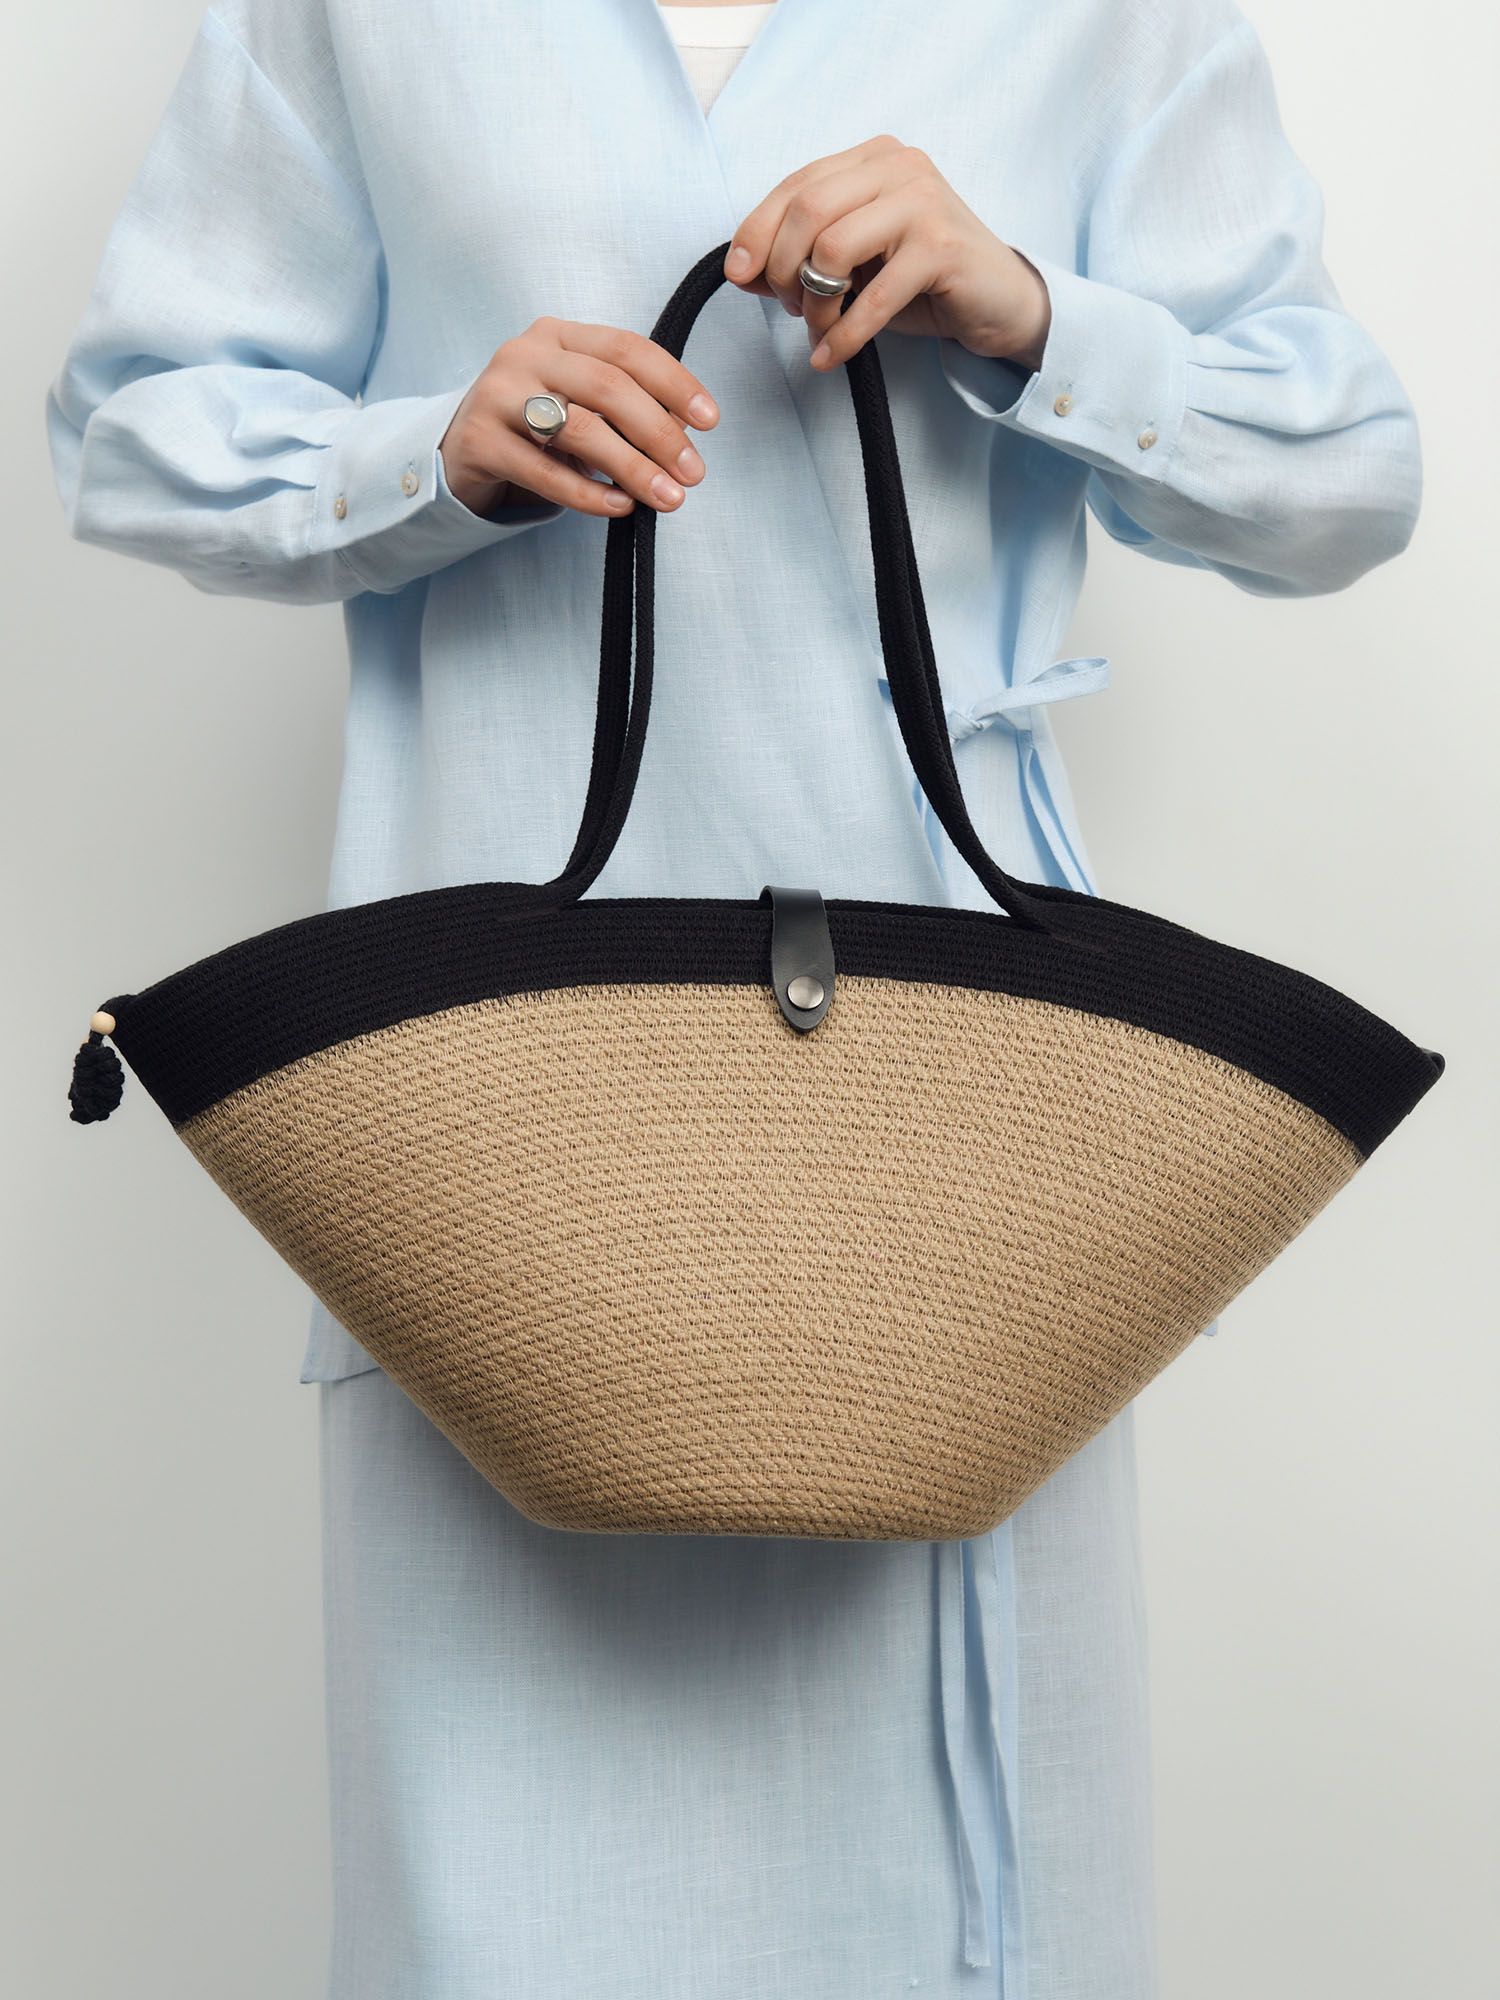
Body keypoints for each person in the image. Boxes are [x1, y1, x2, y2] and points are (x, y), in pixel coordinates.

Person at [44, 1, 1421, 1994]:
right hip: (487, 1186)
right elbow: (133, 422)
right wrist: (425, 454)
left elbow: (1346, 470)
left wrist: (1034, 315)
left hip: (973, 1175)